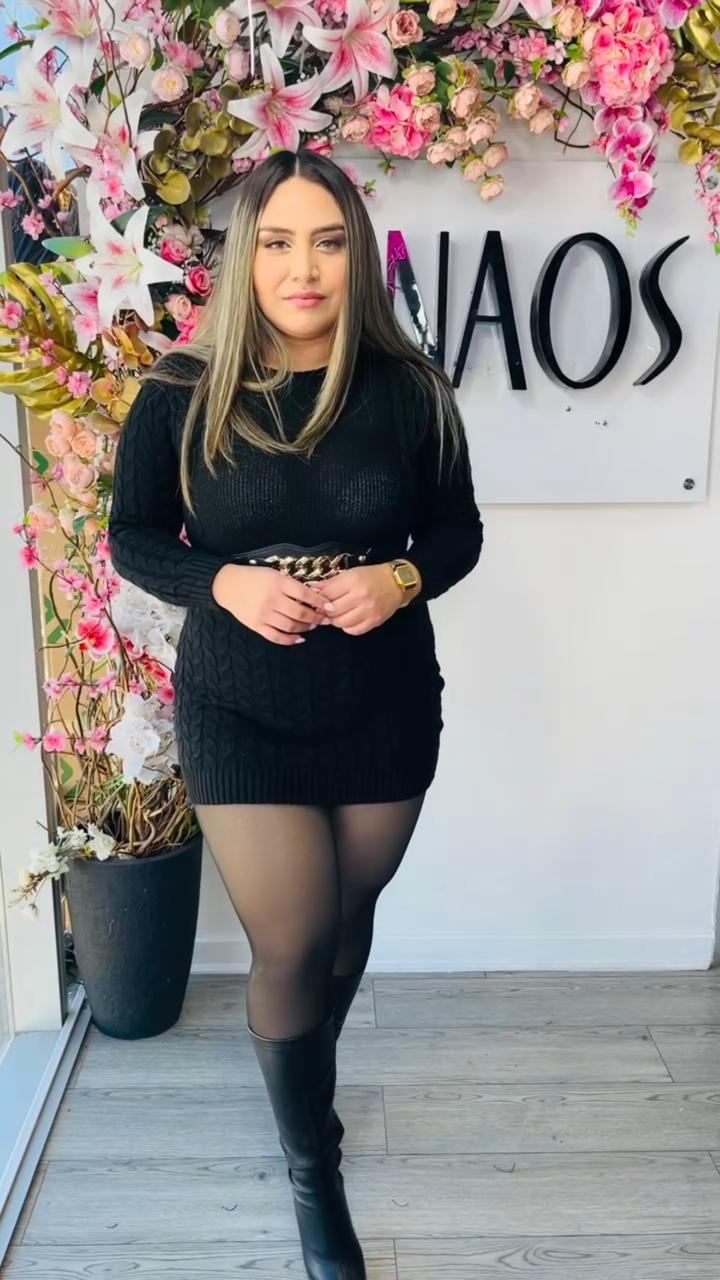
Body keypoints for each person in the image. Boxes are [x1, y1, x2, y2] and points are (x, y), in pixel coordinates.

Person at [108, 147, 483, 1279]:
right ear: (245, 258)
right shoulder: (181, 389)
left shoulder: (410, 389)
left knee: (347, 921)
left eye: (326, 241)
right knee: (293, 938)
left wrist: (400, 578)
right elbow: (133, 535)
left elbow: (457, 533)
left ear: (355, 255)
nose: (302, 267)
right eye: (276, 242)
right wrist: (220, 580)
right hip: (239, 702)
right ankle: (314, 1166)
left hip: (382, 700)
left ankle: (302, 1082)